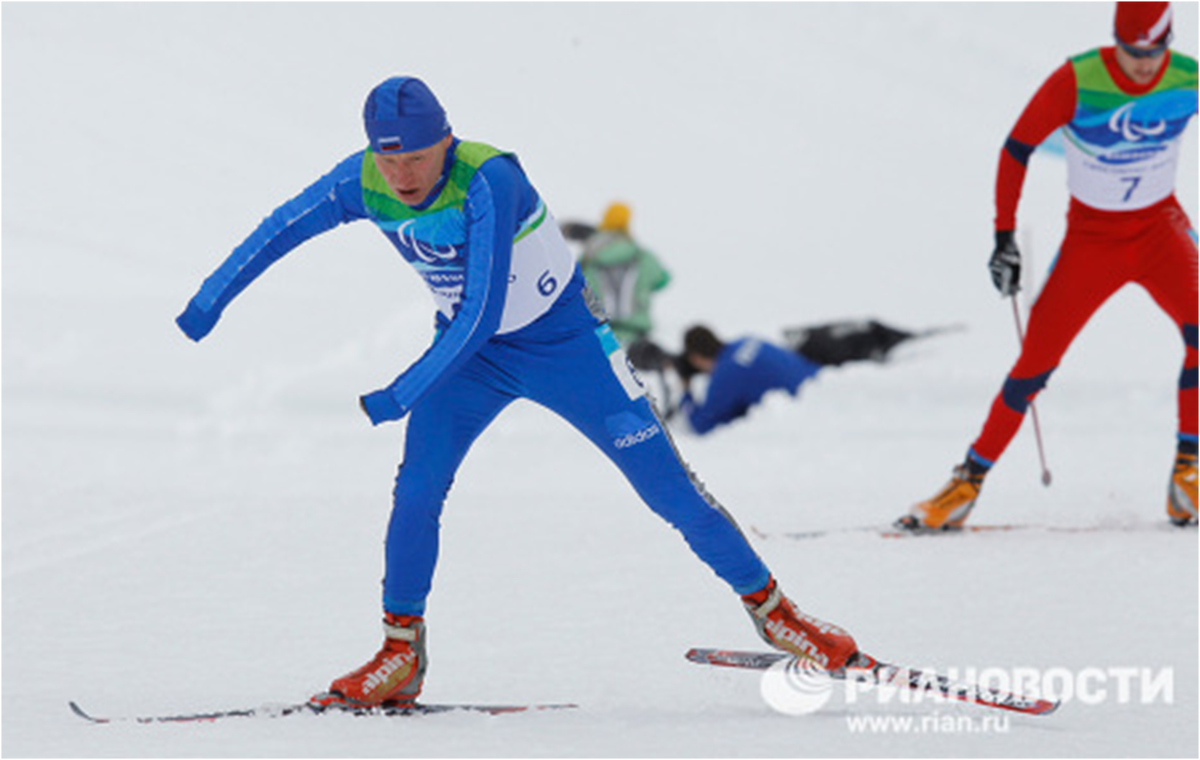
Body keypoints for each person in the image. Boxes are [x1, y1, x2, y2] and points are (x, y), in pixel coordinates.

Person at [175, 76, 857, 710]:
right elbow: (280, 228)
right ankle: (399, 653)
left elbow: (481, 308)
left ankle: (777, 613)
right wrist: (209, 302)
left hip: (566, 348)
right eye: (389, 162)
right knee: (417, 491)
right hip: (469, 358)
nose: (403, 176)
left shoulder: (489, 178)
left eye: (417, 157)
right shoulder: (361, 181)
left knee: (669, 492)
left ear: (446, 139)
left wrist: (401, 392)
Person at [898, 0, 1200, 531]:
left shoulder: (1186, 78)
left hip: (1161, 232)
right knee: (1033, 366)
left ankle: (1188, 476)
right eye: (1132, 53)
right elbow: (1016, 149)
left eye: (1153, 54)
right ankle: (965, 483)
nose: (1143, 66)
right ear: (1116, 41)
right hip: (1093, 243)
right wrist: (1004, 238)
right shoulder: (1078, 78)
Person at [675, 321, 919, 435]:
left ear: (696, 358)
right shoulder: (747, 339)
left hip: (812, 411)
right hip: (825, 382)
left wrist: (685, 388)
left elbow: (701, 425)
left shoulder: (725, 376)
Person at [575, 202, 671, 348]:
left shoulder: (590, 255)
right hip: (637, 337)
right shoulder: (641, 255)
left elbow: (576, 283)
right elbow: (664, 280)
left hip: (601, 333)